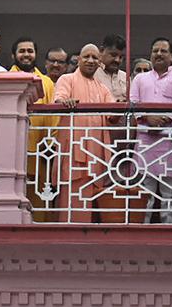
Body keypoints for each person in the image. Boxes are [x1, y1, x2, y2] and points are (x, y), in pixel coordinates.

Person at [52, 44, 126, 223]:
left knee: (93, 196)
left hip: (95, 152)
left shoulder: (103, 88)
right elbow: (59, 99)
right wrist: (65, 102)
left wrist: (121, 108)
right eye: (86, 57)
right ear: (78, 60)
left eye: (94, 58)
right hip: (73, 150)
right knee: (71, 196)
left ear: (100, 63)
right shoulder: (67, 79)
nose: (91, 61)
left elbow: (112, 116)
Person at [129, 37, 172, 223]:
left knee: (170, 195)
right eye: (155, 50)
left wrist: (163, 119)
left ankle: (169, 232)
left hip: (170, 142)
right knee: (144, 195)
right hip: (146, 141)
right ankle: (141, 232)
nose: (158, 54)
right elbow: (133, 104)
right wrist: (148, 118)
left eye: (163, 51)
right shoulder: (140, 78)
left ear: (171, 56)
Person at [10, 36, 58, 222]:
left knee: (40, 193)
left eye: (30, 51)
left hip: (40, 149)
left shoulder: (46, 82)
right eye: (22, 51)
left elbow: (53, 116)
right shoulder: (5, 77)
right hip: (12, 148)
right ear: (13, 55)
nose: (26, 55)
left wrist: (49, 143)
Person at [96, 34, 128, 101]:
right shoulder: (92, 75)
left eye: (121, 57)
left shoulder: (126, 77)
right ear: (101, 50)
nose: (117, 60)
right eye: (113, 55)